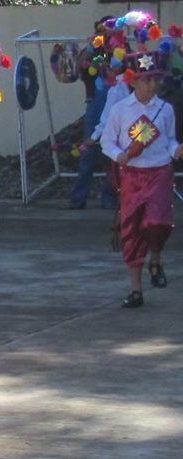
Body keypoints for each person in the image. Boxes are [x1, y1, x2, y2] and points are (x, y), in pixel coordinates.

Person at [100, 49, 181, 308]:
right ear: (133, 81)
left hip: (159, 172)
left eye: (156, 79)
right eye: (147, 79)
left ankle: (155, 260)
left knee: (159, 222)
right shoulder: (120, 110)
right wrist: (118, 155)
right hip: (132, 175)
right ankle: (136, 290)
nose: (152, 84)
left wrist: (175, 150)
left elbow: (168, 140)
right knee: (132, 229)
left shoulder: (165, 110)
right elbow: (107, 141)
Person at [69, 16, 120, 211]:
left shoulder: (122, 50)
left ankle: (110, 198)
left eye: (112, 29)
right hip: (95, 105)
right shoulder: (91, 50)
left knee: (113, 154)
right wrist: (95, 48)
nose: (108, 33)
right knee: (88, 152)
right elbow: (82, 64)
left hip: (117, 106)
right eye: (104, 29)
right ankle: (78, 199)